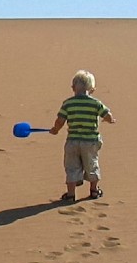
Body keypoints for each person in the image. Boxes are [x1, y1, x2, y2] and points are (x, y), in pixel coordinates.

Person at [49, 70, 116, 201]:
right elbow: (107, 114)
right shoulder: (95, 103)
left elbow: (60, 120)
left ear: (73, 88)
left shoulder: (68, 103)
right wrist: (109, 120)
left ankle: (71, 194)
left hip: (73, 141)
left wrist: (55, 129)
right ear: (92, 89)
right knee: (92, 164)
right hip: (90, 141)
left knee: (72, 167)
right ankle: (94, 190)